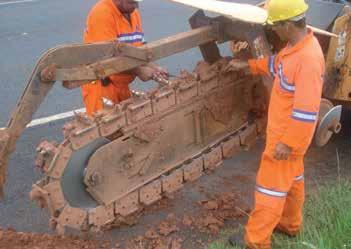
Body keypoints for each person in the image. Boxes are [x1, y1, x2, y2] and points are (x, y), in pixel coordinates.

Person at [225, 0, 325, 248]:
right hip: (289, 139)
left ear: (289, 24)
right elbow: (276, 65)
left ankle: (255, 241)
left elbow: (306, 112)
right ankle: (290, 225)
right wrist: (247, 65)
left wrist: (287, 144)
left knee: (269, 190)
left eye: (276, 26)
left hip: (286, 139)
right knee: (292, 182)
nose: (274, 31)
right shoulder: (294, 48)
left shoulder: (308, 59)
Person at [82, 0, 168, 116]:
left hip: (121, 83)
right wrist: (139, 70)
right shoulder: (101, 13)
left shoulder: (132, 12)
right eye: (132, 2)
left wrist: (155, 67)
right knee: (109, 127)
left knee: (126, 124)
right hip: (103, 84)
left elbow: (140, 48)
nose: (136, 6)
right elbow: (107, 59)